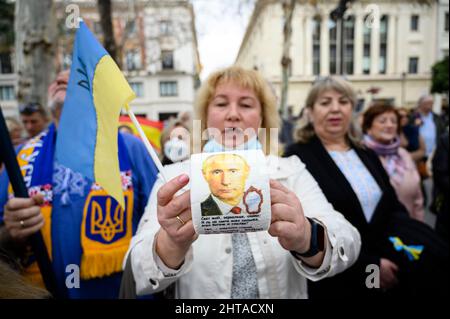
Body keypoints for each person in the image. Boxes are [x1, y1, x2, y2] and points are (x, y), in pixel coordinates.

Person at [124, 66, 361, 299]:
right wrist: (171, 243)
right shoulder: (175, 178)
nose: (233, 114)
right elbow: (135, 274)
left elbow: (349, 244)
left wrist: (308, 236)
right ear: (205, 116)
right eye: (221, 103)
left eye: (246, 104)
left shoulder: (291, 172)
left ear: (262, 118)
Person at [284, 76, 448, 298]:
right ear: (310, 112)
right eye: (325, 103)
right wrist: (371, 266)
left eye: (343, 101)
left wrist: (406, 241)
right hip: (339, 277)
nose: (335, 109)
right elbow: (307, 228)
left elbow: (391, 204)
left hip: (388, 264)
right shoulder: (297, 157)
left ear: (352, 109)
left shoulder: (365, 152)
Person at [0, 70, 159, 299]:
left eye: (77, 76)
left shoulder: (131, 148)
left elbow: (162, 219)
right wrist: (12, 232)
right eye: (56, 80)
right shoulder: (19, 157)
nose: (61, 80)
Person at [362, 104, 424, 221]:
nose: (389, 125)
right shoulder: (360, 155)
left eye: (394, 121)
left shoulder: (403, 154)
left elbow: (417, 198)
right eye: (382, 121)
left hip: (405, 226)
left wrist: (419, 227)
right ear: (368, 127)